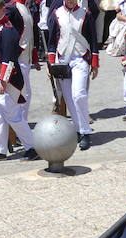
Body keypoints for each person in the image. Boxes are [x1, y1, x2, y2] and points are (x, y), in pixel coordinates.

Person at [0, 0, 38, 159]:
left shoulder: (8, 31)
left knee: (14, 116)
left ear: (3, 10)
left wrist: (3, 81)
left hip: (6, 80)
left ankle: (32, 147)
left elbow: (9, 59)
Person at [47, 0, 98, 150]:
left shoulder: (86, 14)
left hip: (80, 59)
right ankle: (78, 130)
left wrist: (94, 63)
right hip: (63, 60)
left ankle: (85, 132)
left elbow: (93, 40)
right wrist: (51, 64)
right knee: (69, 98)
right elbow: (51, 42)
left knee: (79, 94)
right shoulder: (56, 14)